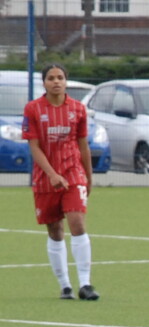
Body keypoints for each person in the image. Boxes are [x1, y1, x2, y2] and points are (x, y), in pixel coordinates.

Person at [23, 63, 99, 301]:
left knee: (77, 222)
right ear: (44, 82)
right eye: (51, 78)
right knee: (55, 230)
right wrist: (52, 174)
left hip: (73, 173)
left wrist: (88, 177)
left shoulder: (77, 109)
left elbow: (83, 145)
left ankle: (85, 284)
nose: (56, 81)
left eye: (60, 77)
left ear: (66, 81)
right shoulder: (33, 109)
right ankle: (65, 285)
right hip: (45, 178)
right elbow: (34, 146)